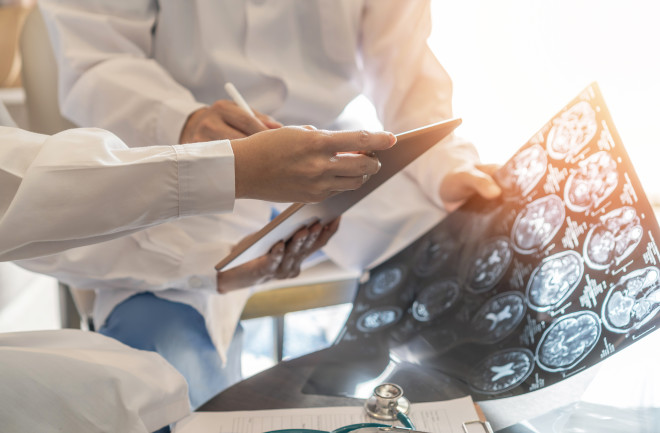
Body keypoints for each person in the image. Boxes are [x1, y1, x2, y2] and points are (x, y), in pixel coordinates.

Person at [34, 0, 502, 411]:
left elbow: (406, 65)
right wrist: (186, 123)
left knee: (479, 280)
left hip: (340, 161)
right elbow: (96, 58)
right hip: (180, 156)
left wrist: (447, 164)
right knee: (164, 369)